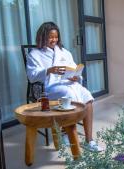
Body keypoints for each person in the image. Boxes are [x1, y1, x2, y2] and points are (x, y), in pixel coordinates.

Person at [26, 22, 103, 151]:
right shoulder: (34, 54)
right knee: (70, 95)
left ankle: (89, 140)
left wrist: (76, 77)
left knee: (87, 96)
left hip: (69, 82)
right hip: (50, 87)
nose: (54, 40)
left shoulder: (64, 52)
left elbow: (74, 69)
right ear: (42, 37)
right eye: (51, 37)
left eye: (56, 37)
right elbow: (32, 76)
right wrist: (49, 70)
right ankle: (66, 132)